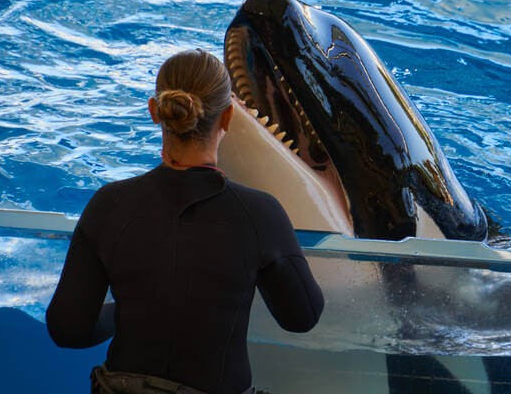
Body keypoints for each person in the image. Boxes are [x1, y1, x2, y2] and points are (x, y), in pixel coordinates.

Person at [46, 48, 324, 394]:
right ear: (227, 119)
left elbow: (67, 329)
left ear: (154, 112)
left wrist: (129, 311)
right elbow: (302, 317)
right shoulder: (259, 213)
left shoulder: (109, 204)